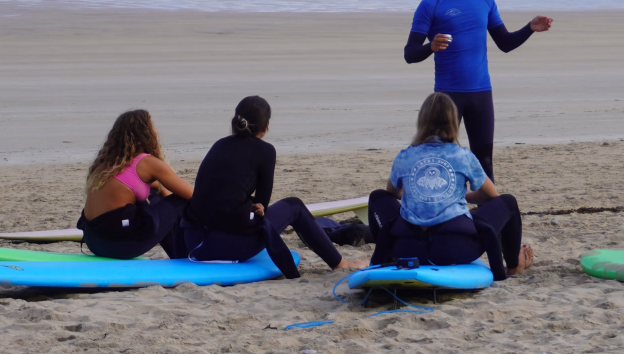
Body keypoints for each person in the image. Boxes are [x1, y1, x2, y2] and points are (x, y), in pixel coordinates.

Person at [402, 0, 552, 180]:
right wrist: (430, 47)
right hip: (447, 96)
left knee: (484, 160)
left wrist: (529, 28)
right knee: (443, 160)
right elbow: (409, 54)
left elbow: (504, 43)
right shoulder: (431, 4)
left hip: (481, 92)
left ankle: (488, 213)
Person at [181, 96, 364, 278]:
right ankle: (340, 263)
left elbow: (216, 193)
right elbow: (263, 203)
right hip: (226, 249)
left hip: (194, 242)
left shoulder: (219, 145)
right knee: (295, 206)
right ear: (265, 126)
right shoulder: (265, 151)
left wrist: (247, 203)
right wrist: (255, 204)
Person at [366, 92, 533, 278]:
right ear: (454, 122)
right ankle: (512, 266)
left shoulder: (405, 156)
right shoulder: (462, 156)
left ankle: (388, 255)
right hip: (457, 249)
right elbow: (491, 195)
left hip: (407, 248)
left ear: (421, 121)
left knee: (377, 197)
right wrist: (454, 195)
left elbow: (393, 193)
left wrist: (421, 192)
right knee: (508, 202)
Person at [78, 110, 194, 259]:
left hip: (93, 243)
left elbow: (157, 194)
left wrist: (159, 187)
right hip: (119, 246)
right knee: (181, 200)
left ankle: (178, 255)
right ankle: (184, 256)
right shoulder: (147, 163)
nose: (157, 131)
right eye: (153, 126)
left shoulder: (105, 164)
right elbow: (192, 195)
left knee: (155, 196)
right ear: (146, 132)